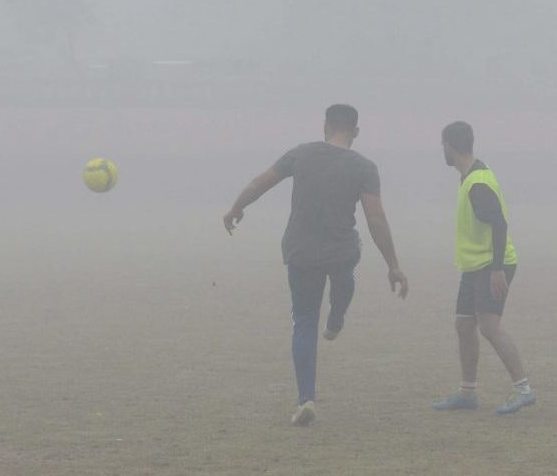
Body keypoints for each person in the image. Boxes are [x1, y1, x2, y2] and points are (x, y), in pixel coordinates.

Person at [223, 104, 408, 426]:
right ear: (356, 131)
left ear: (325, 127)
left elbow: (260, 183)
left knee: (305, 321)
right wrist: (393, 264)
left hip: (300, 251)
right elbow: (375, 217)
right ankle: (337, 317)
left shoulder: (301, 154)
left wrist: (236, 207)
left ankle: (305, 398)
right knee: (347, 273)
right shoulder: (364, 166)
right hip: (341, 251)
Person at [432, 121, 535, 414]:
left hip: (493, 264)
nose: (443, 151)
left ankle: (524, 390)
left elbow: (499, 224)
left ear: (449, 146)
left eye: (443, 146)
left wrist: (498, 268)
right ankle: (468, 393)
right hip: (475, 264)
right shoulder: (470, 174)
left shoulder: (477, 183)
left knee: (489, 326)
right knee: (464, 324)